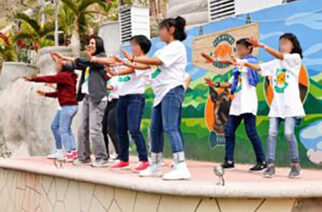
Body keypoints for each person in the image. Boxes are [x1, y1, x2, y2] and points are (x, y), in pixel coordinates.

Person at [120, 16, 191, 180]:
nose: (159, 32)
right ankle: (156, 165)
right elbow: (145, 64)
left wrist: (133, 58)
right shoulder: (164, 49)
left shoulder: (177, 46)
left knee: (171, 128)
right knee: (155, 130)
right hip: (161, 94)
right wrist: (128, 61)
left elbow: (156, 61)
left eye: (161, 28)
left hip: (172, 90)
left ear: (171, 29)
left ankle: (181, 166)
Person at [225, 34, 305, 178]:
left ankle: (295, 164)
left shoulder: (295, 59)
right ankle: (270, 165)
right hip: (276, 107)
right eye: (281, 43)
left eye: (285, 43)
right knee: (271, 134)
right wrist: (243, 63)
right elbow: (258, 67)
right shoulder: (275, 63)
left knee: (288, 133)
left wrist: (263, 46)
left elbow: (281, 57)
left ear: (293, 45)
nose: (282, 46)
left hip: (291, 106)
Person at [201, 38, 267, 171]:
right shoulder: (237, 69)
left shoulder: (251, 61)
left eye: (241, 48)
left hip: (248, 102)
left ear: (249, 48)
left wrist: (215, 60)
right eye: (237, 49)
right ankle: (229, 160)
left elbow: (232, 61)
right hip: (237, 104)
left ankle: (262, 161)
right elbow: (230, 83)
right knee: (229, 131)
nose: (238, 51)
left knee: (251, 132)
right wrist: (215, 84)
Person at [90, 35, 151, 172]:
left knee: (134, 130)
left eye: (134, 45)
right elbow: (124, 68)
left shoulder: (146, 60)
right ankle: (123, 159)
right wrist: (113, 70)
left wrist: (122, 63)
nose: (132, 48)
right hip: (122, 98)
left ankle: (144, 160)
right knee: (121, 130)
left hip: (135, 98)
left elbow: (133, 67)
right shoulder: (130, 61)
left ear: (141, 46)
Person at [52, 35, 114, 167]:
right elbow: (77, 63)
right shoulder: (88, 61)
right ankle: (84, 157)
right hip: (87, 97)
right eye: (89, 43)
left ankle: (102, 158)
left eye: (93, 43)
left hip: (98, 98)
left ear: (99, 44)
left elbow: (90, 62)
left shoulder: (102, 58)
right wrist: (62, 59)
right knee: (81, 129)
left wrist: (69, 58)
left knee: (94, 129)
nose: (90, 45)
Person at [24, 52, 78, 161]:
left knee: (63, 130)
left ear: (64, 67)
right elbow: (59, 93)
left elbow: (49, 78)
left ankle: (68, 153)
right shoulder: (68, 76)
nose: (56, 65)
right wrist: (45, 94)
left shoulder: (64, 76)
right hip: (69, 106)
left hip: (68, 107)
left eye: (58, 64)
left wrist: (33, 79)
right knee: (63, 128)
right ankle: (72, 152)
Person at [102, 76, 120, 161]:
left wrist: (97, 84)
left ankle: (120, 153)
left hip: (116, 102)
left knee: (112, 129)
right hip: (109, 102)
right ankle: (105, 154)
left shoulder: (117, 76)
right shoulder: (108, 77)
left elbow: (110, 87)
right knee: (103, 129)